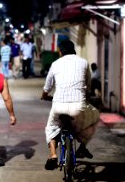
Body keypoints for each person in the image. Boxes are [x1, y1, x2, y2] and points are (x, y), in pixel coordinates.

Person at [41, 40, 100, 170]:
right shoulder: (84, 62)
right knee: (94, 117)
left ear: (60, 51)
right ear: (74, 50)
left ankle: (53, 155)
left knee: (51, 127)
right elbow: (88, 87)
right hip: (78, 107)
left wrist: (45, 97)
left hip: (59, 106)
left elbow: (47, 87)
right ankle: (83, 147)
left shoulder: (55, 64)